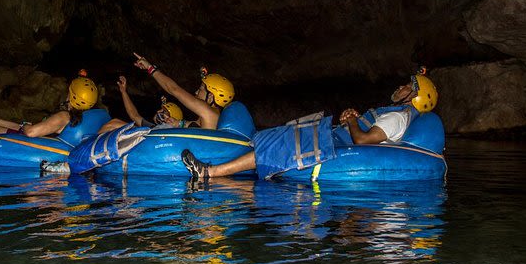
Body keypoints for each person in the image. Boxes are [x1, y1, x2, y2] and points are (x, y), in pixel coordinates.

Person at [182, 69, 439, 179]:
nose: (401, 87)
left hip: (340, 146)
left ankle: (211, 173)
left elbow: (362, 140)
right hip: (339, 138)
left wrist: (351, 122)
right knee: (287, 131)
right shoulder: (395, 115)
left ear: (414, 96)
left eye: (408, 86)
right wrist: (351, 120)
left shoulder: (396, 117)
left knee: (283, 141)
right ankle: (233, 168)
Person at [0, 70, 99, 160]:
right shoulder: (88, 116)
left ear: (71, 96)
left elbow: (30, 132)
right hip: (47, 135)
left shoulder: (64, 116)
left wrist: (28, 126)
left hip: (36, 138)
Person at [132, 53, 234, 130]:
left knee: (115, 124)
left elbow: (173, 89)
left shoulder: (208, 112)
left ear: (211, 96)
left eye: (201, 89)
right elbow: (192, 126)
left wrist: (150, 68)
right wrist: (176, 123)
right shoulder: (211, 116)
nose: (196, 92)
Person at [98, 75, 188, 133]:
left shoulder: (171, 130)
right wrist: (124, 92)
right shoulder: (154, 127)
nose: (159, 112)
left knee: (114, 124)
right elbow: (134, 115)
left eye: (164, 111)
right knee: (114, 122)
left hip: (152, 141)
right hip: (148, 138)